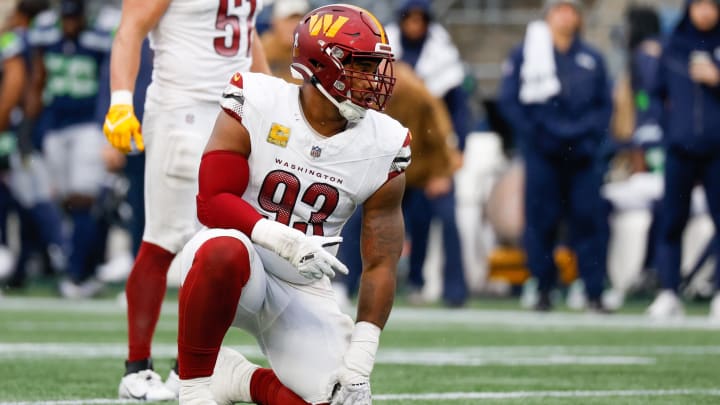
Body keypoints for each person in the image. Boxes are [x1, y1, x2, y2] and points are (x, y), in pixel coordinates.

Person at [175, 4, 409, 404]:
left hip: (302, 288)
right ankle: (194, 388)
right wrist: (280, 238)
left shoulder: (385, 144)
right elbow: (212, 202)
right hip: (238, 262)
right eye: (362, 66)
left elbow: (381, 263)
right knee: (222, 251)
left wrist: (360, 359)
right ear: (321, 64)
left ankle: (235, 379)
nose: (374, 79)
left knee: (339, 400)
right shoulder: (259, 100)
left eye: (376, 67)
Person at [102, 0, 271, 399]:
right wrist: (121, 101)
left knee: (221, 245)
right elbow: (130, 28)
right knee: (163, 240)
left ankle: (189, 369)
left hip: (233, 114)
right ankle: (137, 369)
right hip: (183, 112)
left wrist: (270, 95)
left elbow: (246, 36)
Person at [498, 0, 613, 312]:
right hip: (543, 152)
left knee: (588, 221)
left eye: (570, 9)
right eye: (559, 9)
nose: (565, 16)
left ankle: (592, 288)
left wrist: (587, 134)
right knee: (541, 221)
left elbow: (605, 105)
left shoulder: (591, 57)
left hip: (583, 154)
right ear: (548, 16)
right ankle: (542, 286)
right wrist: (537, 134)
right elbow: (509, 100)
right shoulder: (527, 54)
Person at [26, 0, 112, 298]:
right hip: (54, 123)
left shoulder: (102, 32)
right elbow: (37, 75)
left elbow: (109, 79)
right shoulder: (45, 29)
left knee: (83, 198)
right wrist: (30, 123)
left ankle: (78, 273)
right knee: (64, 202)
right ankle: (80, 268)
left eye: (74, 17)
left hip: (88, 124)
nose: (69, 24)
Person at [646, 0, 720, 320]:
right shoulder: (672, 47)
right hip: (680, 148)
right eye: (700, 5)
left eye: (711, 6)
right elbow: (652, 93)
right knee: (672, 220)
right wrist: (669, 129)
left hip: (718, 149)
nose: (705, 12)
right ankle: (668, 291)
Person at [260, 0, 309, 84]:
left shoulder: (310, 53)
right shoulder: (259, 51)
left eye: (299, 20)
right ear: (274, 22)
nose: (293, 26)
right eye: (288, 20)